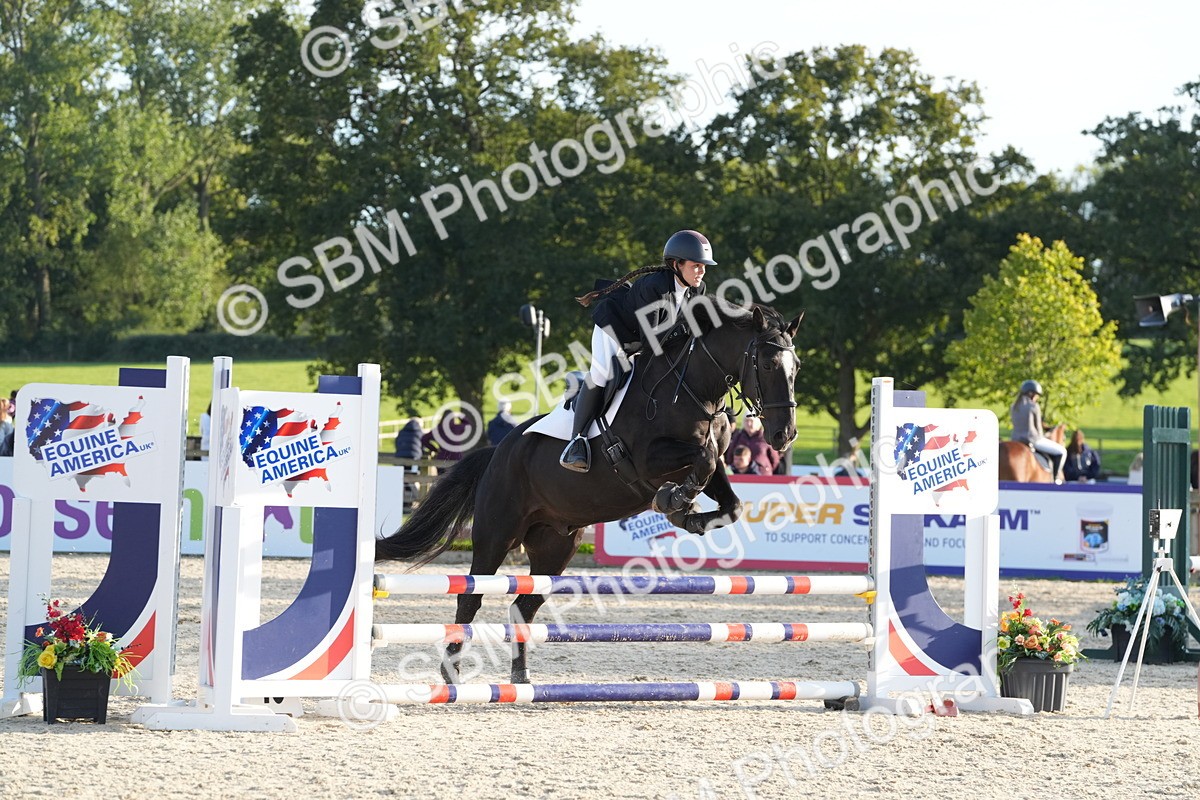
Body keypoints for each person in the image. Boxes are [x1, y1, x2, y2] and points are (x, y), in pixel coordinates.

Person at [559, 229, 717, 472]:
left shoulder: (698, 289)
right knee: (603, 373)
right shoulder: (653, 287)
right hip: (616, 330)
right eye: (696, 265)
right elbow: (652, 340)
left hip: (648, 337)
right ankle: (576, 441)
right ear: (677, 264)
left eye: (704, 266)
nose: (702, 271)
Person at [1009, 379, 1066, 484]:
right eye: (1036, 395)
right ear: (1031, 394)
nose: (1036, 398)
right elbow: (1038, 431)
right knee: (1061, 451)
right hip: (1032, 440)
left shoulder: (1013, 407)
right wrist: (1048, 434)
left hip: (1016, 439)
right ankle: (1055, 478)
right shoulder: (1033, 406)